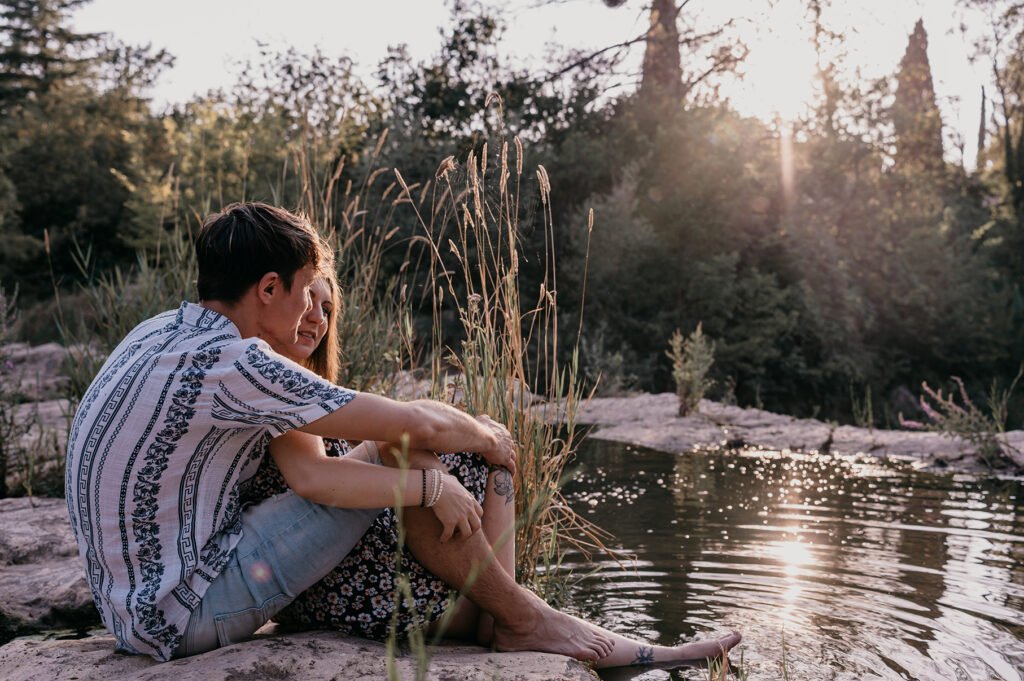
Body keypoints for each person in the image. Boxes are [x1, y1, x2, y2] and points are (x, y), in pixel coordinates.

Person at [65, 201, 740, 667]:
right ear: (268, 288)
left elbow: (318, 467)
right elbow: (397, 428)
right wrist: (474, 440)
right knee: (414, 448)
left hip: (139, 613)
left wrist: (434, 470)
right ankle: (530, 620)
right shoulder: (238, 360)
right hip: (183, 616)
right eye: (305, 292)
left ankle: (512, 615)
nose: (312, 310)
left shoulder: (162, 332)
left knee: (414, 460)